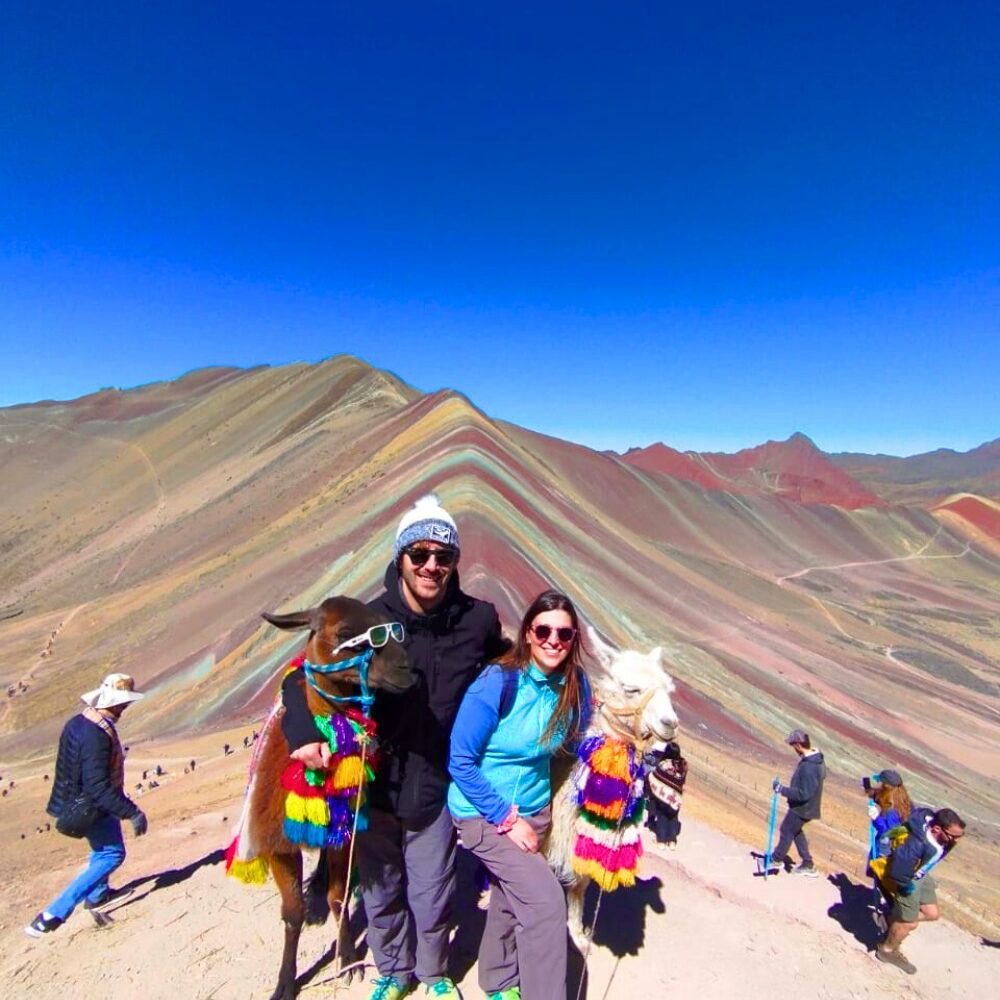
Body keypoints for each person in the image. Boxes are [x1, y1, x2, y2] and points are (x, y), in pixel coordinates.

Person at [281, 494, 506, 1000]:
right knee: (380, 889)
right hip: (374, 785)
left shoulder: (478, 620)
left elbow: (507, 668)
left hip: (438, 783)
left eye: (442, 556)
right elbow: (301, 678)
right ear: (400, 558)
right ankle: (392, 971)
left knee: (433, 892)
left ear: (455, 563)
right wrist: (303, 734)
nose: (431, 566)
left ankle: (432, 974)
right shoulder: (366, 618)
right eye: (419, 554)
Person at [448, 590, 591, 1000]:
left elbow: (574, 746)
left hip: (536, 810)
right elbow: (460, 759)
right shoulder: (498, 682)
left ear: (574, 638)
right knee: (547, 904)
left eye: (564, 634)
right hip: (483, 810)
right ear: (528, 633)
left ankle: (496, 979)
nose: (553, 641)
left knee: (513, 898)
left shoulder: (575, 685)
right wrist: (507, 821)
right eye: (543, 630)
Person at [25, 673, 149, 937]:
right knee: (111, 855)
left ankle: (99, 896)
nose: (126, 708)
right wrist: (132, 812)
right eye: (123, 703)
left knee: (102, 851)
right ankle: (52, 915)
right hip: (92, 805)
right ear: (112, 703)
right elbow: (97, 786)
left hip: (80, 800)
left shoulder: (80, 722)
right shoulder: (96, 735)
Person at [874, 806, 966, 973]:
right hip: (907, 880)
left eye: (960, 837)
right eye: (953, 837)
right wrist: (907, 888)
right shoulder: (916, 844)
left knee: (932, 914)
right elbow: (898, 872)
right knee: (909, 923)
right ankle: (887, 950)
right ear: (937, 829)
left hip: (920, 875)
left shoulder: (933, 825)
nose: (956, 841)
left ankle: (890, 918)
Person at [770, 728, 826, 877]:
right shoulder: (816, 760)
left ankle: (776, 859)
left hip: (803, 808)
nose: (793, 749)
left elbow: (803, 793)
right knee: (796, 832)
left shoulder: (809, 766)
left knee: (786, 830)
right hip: (808, 807)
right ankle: (808, 863)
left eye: (793, 746)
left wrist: (782, 790)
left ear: (798, 745)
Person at [643, 740, 688, 848]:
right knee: (673, 817)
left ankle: (661, 841)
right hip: (676, 797)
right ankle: (672, 841)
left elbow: (655, 777)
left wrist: (648, 778)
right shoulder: (682, 764)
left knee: (662, 815)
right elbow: (681, 780)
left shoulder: (664, 764)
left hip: (664, 797)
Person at [864, 768, 912, 859]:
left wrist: (876, 818)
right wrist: (869, 790)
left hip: (883, 852)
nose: (879, 787)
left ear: (886, 788)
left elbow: (887, 833)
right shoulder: (904, 802)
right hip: (893, 851)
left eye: (882, 785)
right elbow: (880, 797)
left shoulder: (891, 810)